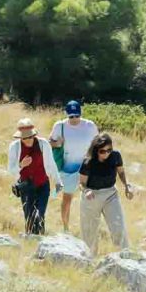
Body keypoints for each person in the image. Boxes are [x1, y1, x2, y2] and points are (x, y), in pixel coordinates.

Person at [77, 132, 133, 254]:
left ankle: (125, 255)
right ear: (96, 150)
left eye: (109, 150)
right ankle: (89, 260)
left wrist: (126, 185)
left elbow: (121, 172)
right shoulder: (88, 162)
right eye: (103, 151)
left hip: (110, 194)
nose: (106, 153)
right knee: (89, 232)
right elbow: (81, 183)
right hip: (91, 196)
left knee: (118, 226)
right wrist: (86, 191)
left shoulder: (116, 156)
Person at [49, 99, 98, 232]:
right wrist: (57, 144)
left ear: (81, 114)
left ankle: (90, 228)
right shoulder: (60, 126)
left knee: (91, 198)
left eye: (77, 115)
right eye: (71, 116)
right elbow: (49, 143)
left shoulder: (90, 126)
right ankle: (66, 228)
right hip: (68, 169)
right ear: (67, 114)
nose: (74, 119)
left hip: (87, 167)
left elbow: (98, 144)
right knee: (67, 199)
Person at [7, 117, 52, 236]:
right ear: (20, 137)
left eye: (30, 136)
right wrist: (21, 165)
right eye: (24, 137)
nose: (27, 140)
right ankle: (31, 241)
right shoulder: (14, 147)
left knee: (40, 215)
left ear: (34, 135)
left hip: (43, 185)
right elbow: (11, 170)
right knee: (30, 216)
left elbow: (51, 164)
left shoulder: (43, 144)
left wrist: (58, 181)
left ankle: (41, 240)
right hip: (26, 186)